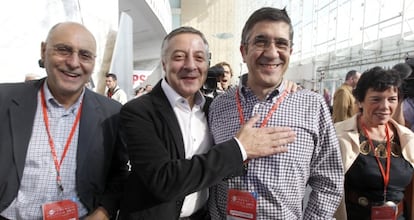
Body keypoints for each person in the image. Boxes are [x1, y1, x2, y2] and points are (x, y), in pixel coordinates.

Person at [118, 26, 297, 219]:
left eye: (199, 58)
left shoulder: (213, 108)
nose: (190, 65)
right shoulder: (137, 112)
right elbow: (164, 181)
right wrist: (238, 149)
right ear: (164, 63)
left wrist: (281, 85)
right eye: (179, 57)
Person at [208, 7, 344, 219]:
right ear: (243, 51)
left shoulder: (312, 106)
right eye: (261, 42)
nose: (272, 53)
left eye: (281, 43)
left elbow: (328, 180)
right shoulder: (219, 105)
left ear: (290, 51)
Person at [0, 22, 129, 219]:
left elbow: (118, 173)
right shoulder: (4, 100)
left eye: (85, 55)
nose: (73, 62)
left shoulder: (111, 114)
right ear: (44, 51)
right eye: (63, 50)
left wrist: (103, 212)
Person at [334, 67, 414, 220]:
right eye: (376, 99)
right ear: (360, 101)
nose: (384, 107)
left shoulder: (407, 138)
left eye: (392, 99)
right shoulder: (338, 136)